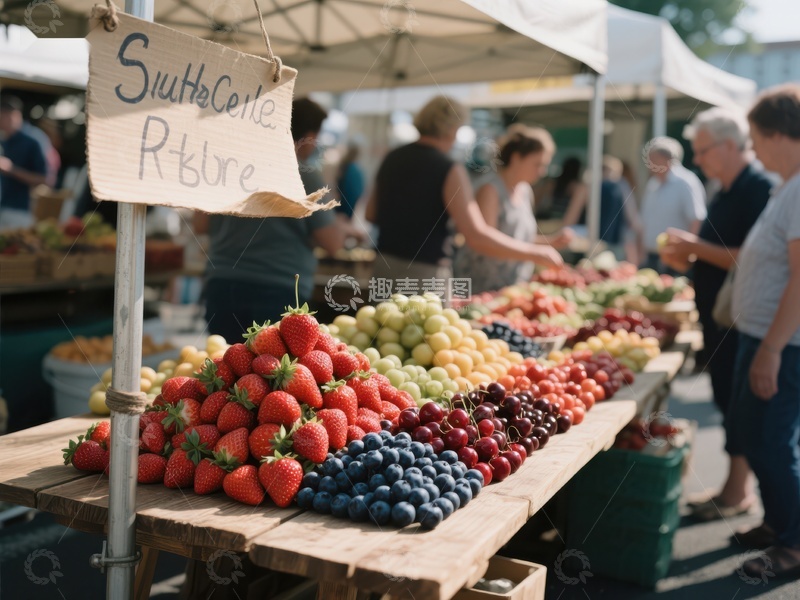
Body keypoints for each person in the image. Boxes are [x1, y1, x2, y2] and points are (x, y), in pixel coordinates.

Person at [660, 107, 772, 523]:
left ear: (728, 145)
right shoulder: (723, 189)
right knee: (727, 400)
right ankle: (735, 488)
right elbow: (716, 255)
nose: (699, 158)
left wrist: (694, 245)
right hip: (719, 317)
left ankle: (740, 492)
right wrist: (691, 254)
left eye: (703, 150)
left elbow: (751, 260)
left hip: (740, 320)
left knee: (742, 407)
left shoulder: (757, 187)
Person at [725, 85, 800, 579]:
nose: (752, 149)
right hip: (764, 336)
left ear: (778, 134)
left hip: (784, 344)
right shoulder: (787, 185)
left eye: (755, 138)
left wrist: (771, 348)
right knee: (753, 435)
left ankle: (795, 545)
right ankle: (778, 524)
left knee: (773, 442)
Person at [365, 96, 563, 284]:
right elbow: (475, 235)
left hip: (384, 265)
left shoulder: (392, 158)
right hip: (426, 271)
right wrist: (535, 252)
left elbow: (370, 214)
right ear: (453, 129)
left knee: (381, 320)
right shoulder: (449, 169)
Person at [199, 98, 345, 341]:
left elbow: (200, 225)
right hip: (277, 291)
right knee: (271, 375)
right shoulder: (304, 176)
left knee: (223, 370)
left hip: (222, 283)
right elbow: (332, 243)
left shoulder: (231, 166)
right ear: (309, 136)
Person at [453, 125, 573, 293]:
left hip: (511, 287)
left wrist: (551, 241)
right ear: (517, 158)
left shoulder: (525, 191)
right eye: (537, 164)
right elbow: (484, 241)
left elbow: (518, 238)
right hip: (480, 289)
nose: (542, 171)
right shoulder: (490, 190)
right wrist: (534, 253)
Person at [639, 136, 707, 273]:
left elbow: (696, 220)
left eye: (652, 159)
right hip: (652, 256)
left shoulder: (686, 182)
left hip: (676, 258)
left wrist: (688, 254)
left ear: (666, 160)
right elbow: (645, 220)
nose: (649, 165)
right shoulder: (653, 184)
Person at [562, 155, 633, 258]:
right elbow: (633, 221)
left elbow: (570, 218)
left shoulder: (587, 187)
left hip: (589, 244)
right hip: (614, 245)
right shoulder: (622, 189)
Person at [0, 96, 47, 230]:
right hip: (3, 207)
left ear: (13, 116)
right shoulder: (4, 140)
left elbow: (43, 179)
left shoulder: (32, 141)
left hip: (20, 211)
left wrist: (11, 170)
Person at [335, 143, 365, 220]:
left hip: (343, 207)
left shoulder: (348, 167)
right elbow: (354, 193)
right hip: (347, 208)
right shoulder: (354, 170)